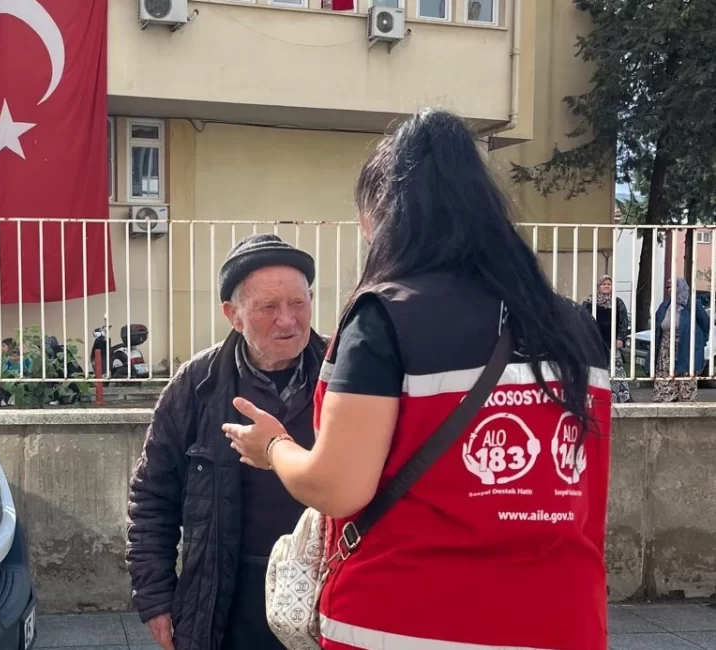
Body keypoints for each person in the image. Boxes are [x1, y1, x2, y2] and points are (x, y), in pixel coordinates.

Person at [223, 109, 612, 650]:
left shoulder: (385, 317)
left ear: (385, 215)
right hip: (559, 620)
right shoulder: (574, 328)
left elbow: (338, 487)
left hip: (407, 620)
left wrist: (275, 448)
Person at [126, 233, 326, 650]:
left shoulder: (345, 375)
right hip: (226, 597)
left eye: (298, 302)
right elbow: (150, 499)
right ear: (233, 314)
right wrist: (157, 600)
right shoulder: (195, 386)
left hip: (327, 591)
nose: (288, 320)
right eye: (268, 307)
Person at [651, 277, 709, 403]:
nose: (669, 289)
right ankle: (666, 399)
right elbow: (658, 322)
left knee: (685, 373)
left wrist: (700, 341)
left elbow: (705, 323)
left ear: (680, 287)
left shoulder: (692, 304)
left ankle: (685, 401)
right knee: (666, 373)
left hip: (686, 345)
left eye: (673, 286)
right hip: (666, 345)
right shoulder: (665, 305)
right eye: (668, 287)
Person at [582, 274, 633, 403]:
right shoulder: (589, 302)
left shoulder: (617, 302)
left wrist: (620, 338)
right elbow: (582, 320)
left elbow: (623, 322)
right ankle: (595, 396)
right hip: (594, 342)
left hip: (612, 342)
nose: (606, 286)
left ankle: (618, 397)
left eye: (609, 284)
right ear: (598, 286)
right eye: (604, 284)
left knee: (615, 371)